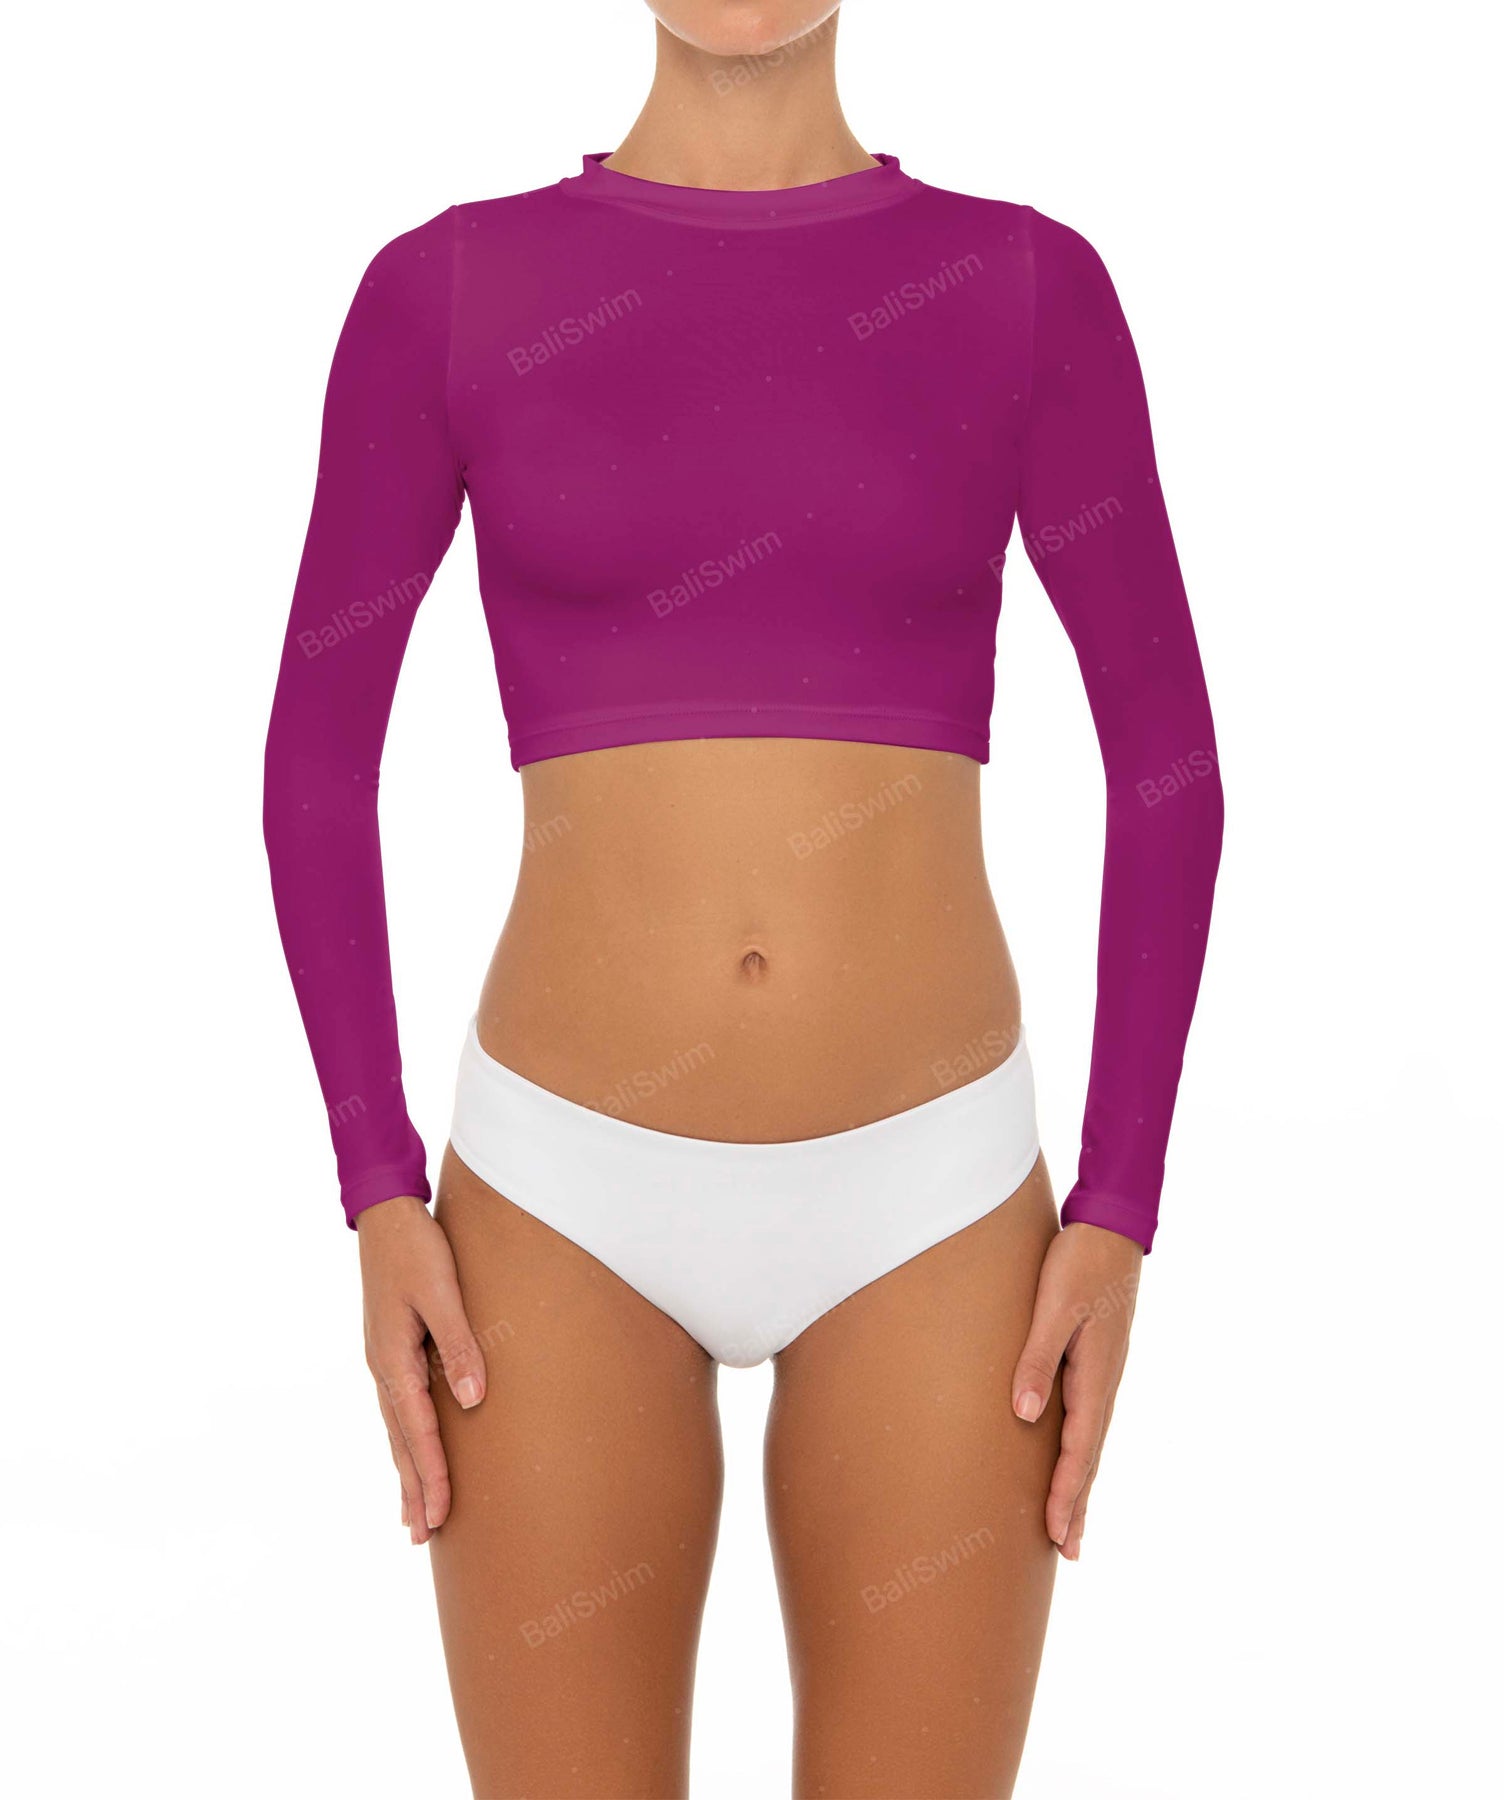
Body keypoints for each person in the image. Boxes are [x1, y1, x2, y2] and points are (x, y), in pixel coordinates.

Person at [263, 4, 1222, 1793]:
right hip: (557, 1196)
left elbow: (1167, 762)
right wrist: (375, 1183)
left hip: (937, 1203)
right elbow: (318, 758)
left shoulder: (1024, 290)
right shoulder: (448, 294)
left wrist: (1121, 1205)